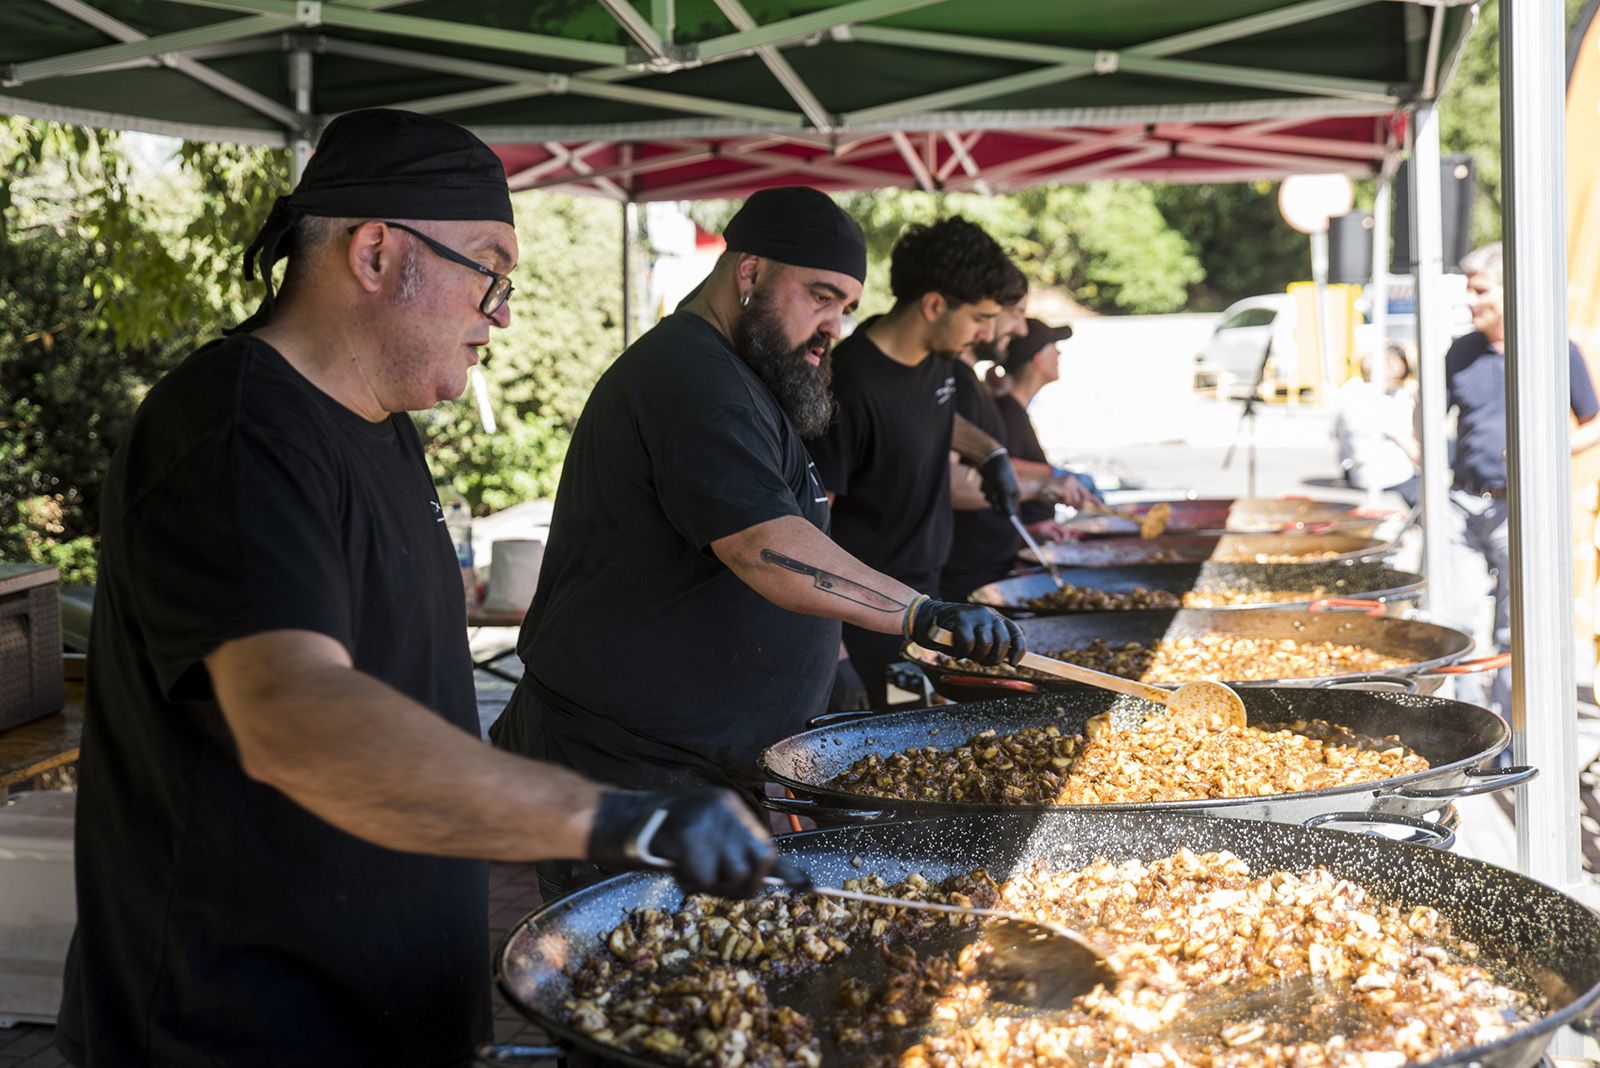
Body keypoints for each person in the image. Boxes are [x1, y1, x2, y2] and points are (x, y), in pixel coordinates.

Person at [57, 109, 803, 1068]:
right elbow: (298, 715)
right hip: (242, 1022)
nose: (501, 312)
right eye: (488, 271)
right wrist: (620, 813)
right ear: (375, 252)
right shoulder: (235, 433)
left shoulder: (379, 422)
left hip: (389, 1003)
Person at [490, 187, 1024, 899]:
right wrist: (921, 614)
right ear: (748, 274)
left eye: (845, 309)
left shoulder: (738, 372)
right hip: (632, 762)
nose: (832, 326)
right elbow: (761, 544)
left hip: (700, 762)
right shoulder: (690, 376)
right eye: (820, 297)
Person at [805, 217, 1030, 704]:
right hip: (870, 617)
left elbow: (928, 413)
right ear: (934, 305)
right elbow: (812, 530)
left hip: (928, 597)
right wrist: (836, 653)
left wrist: (988, 454)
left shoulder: (937, 360)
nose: (987, 332)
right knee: (900, 745)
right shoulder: (849, 386)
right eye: (979, 318)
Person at [1442, 242, 1600, 716]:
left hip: (1522, 507)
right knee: (1461, 621)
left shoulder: (1553, 348)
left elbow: (1593, 421)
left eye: (1480, 290)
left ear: (1508, 290)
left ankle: (1514, 728)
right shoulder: (1460, 351)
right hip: (1463, 504)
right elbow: (1427, 417)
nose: (1471, 300)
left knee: (1519, 627)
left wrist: (1549, 450)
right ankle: (1471, 729)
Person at [942, 288, 1094, 600]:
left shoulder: (981, 389)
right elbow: (961, 479)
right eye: (1017, 314)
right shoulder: (968, 387)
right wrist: (1046, 481)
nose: (1019, 328)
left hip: (992, 558)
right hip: (970, 573)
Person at [993, 317, 1090, 538]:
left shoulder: (1014, 410)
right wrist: (1054, 474)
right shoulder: (1008, 413)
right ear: (1037, 359)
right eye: (1053, 347)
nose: (1059, 354)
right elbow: (1003, 466)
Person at [1331, 343, 1419, 508]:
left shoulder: (1349, 392)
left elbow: (1337, 437)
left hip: (1356, 474)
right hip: (1389, 477)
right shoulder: (1382, 401)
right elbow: (1411, 448)